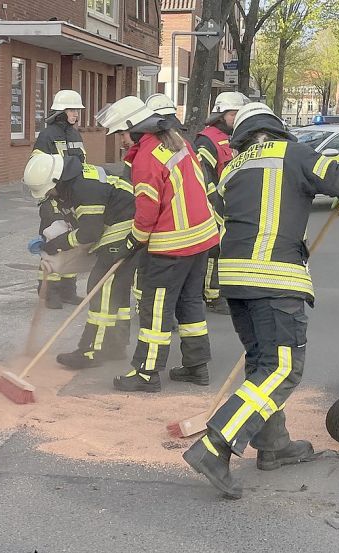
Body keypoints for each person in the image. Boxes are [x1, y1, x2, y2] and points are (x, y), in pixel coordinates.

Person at [182, 102, 339, 499]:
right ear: (276, 128)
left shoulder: (233, 168)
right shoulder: (294, 153)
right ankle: (215, 445)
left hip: (234, 279)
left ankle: (274, 445)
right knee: (282, 370)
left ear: (243, 136)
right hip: (274, 278)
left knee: (262, 364)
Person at [112, 97, 220, 393]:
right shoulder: (177, 141)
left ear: (134, 129)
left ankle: (147, 374)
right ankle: (197, 367)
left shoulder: (146, 157)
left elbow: (147, 210)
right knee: (189, 304)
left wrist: (133, 240)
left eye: (120, 134)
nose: (120, 142)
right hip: (201, 239)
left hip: (172, 245)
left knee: (155, 309)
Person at [23, 151, 137, 368]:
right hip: (127, 225)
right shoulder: (75, 180)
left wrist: (58, 244)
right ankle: (116, 345)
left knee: (100, 287)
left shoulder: (82, 188)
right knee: (117, 290)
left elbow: (89, 233)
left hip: (122, 229)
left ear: (56, 180)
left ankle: (91, 351)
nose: (51, 196)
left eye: (49, 191)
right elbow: (84, 221)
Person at [193, 92, 250, 316]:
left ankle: (220, 290)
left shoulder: (238, 137)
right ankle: (212, 295)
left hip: (233, 202)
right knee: (214, 251)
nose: (237, 118)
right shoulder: (206, 139)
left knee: (228, 250)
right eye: (234, 113)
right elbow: (204, 176)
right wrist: (215, 206)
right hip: (215, 204)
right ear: (221, 114)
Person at [32, 90, 88, 309]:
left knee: (72, 244)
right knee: (53, 243)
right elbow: (36, 168)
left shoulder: (76, 136)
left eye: (77, 110)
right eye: (72, 110)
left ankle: (67, 290)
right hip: (53, 198)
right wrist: (50, 191)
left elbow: (83, 165)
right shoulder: (47, 136)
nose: (76, 114)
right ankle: (48, 292)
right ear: (61, 111)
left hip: (73, 198)